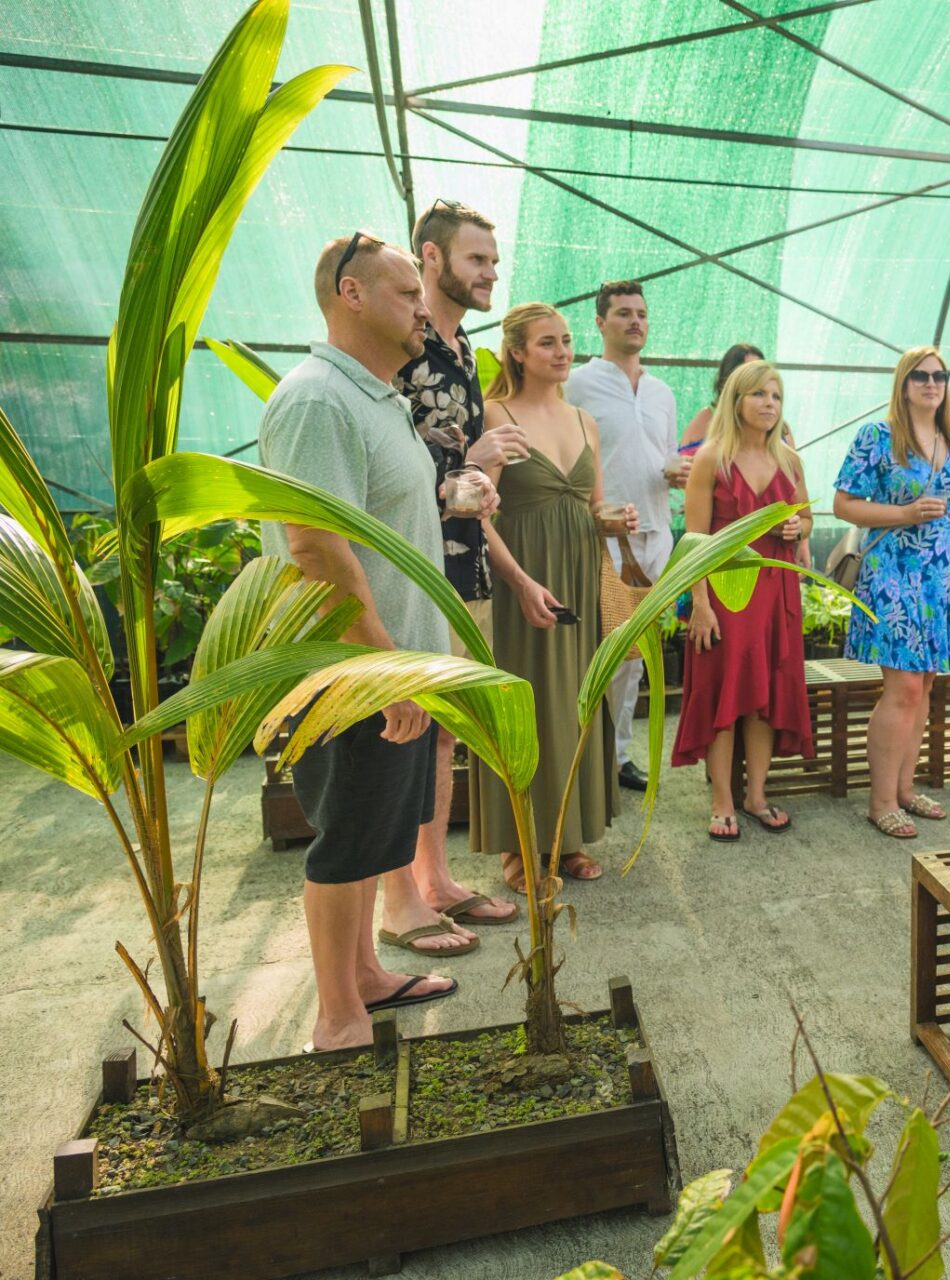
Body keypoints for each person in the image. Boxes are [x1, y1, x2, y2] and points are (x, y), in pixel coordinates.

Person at [260, 232, 463, 1050]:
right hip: (353, 676)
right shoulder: (318, 400)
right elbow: (314, 548)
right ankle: (337, 1019)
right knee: (346, 841)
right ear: (351, 294)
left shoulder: (376, 397)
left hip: (392, 664)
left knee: (375, 831)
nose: (424, 307)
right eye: (409, 292)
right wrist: (384, 670)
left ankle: (368, 981)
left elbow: (375, 519)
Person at [382, 198, 522, 957]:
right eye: (477, 260)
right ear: (430, 258)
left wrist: (478, 473)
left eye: (493, 262)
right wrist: (470, 469)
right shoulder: (399, 346)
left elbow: (453, 465)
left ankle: (435, 881)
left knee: (441, 735)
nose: (489, 273)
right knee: (406, 729)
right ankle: (399, 895)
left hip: (463, 560)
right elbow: (393, 464)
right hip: (410, 564)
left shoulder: (467, 352)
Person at [471, 303, 630, 890]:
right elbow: (478, 514)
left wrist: (618, 520)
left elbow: (593, 508)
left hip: (578, 577)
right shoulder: (496, 414)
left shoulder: (586, 420)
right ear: (517, 352)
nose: (563, 352)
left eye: (566, 341)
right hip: (521, 581)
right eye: (547, 343)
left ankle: (566, 838)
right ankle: (518, 850)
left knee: (575, 701)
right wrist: (517, 580)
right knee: (529, 703)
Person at [832, 346, 950, 838]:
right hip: (893, 575)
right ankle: (880, 802)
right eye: (920, 375)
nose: (931, 383)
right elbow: (842, 504)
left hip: (943, 582)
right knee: (902, 689)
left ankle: (903, 788)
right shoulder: (878, 437)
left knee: (925, 687)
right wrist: (903, 513)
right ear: (903, 383)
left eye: (940, 376)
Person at [674, 359, 815, 840]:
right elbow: (694, 540)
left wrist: (799, 528)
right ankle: (721, 800)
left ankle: (756, 795)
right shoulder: (713, 457)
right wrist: (701, 603)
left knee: (763, 699)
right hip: (725, 596)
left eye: (775, 396)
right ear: (736, 400)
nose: (768, 404)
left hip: (776, 596)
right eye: (758, 394)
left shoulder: (790, 460)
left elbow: (807, 520)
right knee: (724, 698)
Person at [567, 279, 686, 793]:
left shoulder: (662, 392)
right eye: (622, 313)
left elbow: (666, 452)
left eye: (640, 313)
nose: (635, 321)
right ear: (599, 323)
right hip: (599, 540)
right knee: (595, 650)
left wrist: (674, 469)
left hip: (654, 536)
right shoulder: (576, 384)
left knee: (636, 657)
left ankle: (617, 757)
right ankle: (581, 754)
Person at [681, 343, 767, 451]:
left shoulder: (774, 423)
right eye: (746, 372)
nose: (754, 378)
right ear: (729, 377)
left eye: (759, 371)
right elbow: (680, 462)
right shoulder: (707, 418)